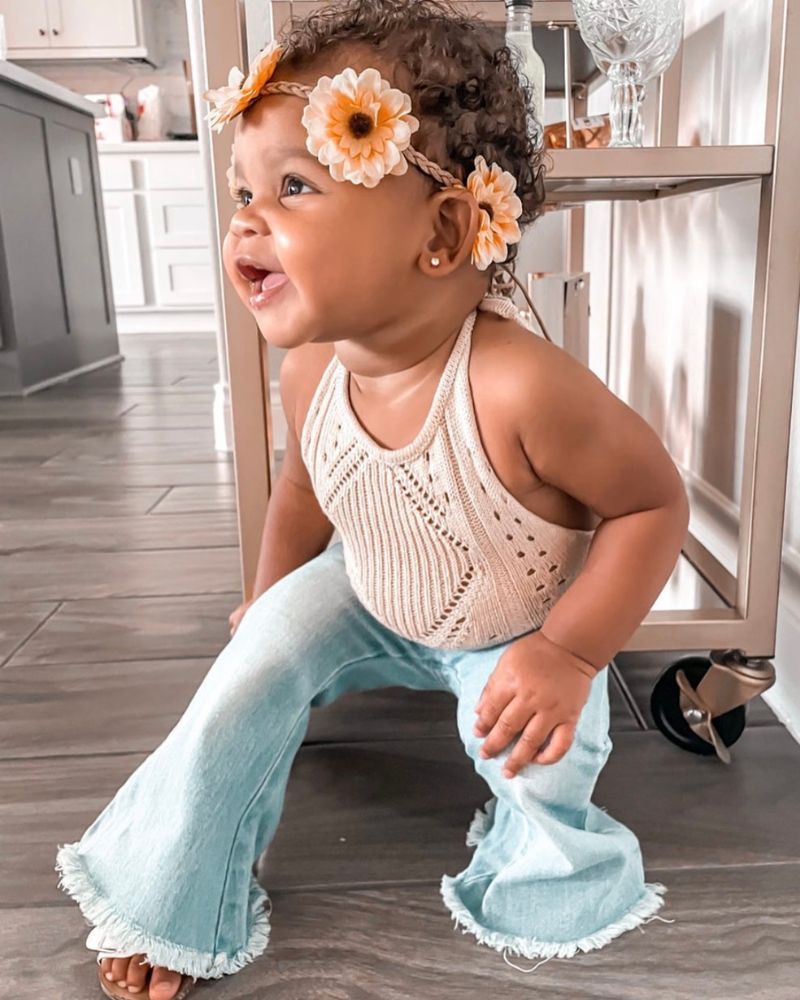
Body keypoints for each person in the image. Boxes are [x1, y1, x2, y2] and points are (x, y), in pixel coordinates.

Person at [55, 1, 689, 997]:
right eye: (243, 191)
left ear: (441, 232)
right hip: (365, 587)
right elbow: (303, 489)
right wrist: (265, 604)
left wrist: (568, 652)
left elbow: (651, 505)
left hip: (510, 625)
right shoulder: (310, 370)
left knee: (540, 758)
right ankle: (168, 886)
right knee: (236, 686)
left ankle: (542, 874)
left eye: (294, 186)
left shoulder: (518, 386)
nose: (247, 222)